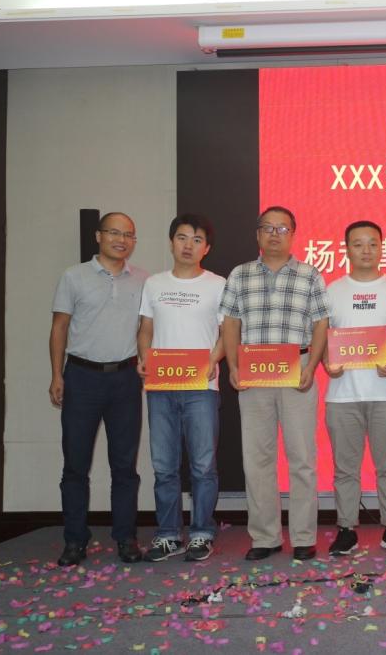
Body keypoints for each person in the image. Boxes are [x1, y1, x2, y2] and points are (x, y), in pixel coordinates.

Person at [220, 206, 328, 561]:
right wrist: (233, 366)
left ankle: (303, 536)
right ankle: (265, 537)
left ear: (293, 234)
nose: (274, 234)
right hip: (253, 371)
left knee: (302, 457)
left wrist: (313, 365)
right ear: (257, 235)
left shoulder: (310, 275)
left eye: (282, 229)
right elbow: (230, 323)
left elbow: (321, 324)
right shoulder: (240, 275)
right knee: (257, 458)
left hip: (297, 368)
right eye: (267, 228)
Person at [49, 212, 148, 566]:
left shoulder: (144, 280)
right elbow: (59, 327)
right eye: (114, 233)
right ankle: (75, 540)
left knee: (125, 466)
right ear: (98, 236)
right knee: (75, 465)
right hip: (82, 377)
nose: (121, 240)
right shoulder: (73, 276)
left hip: (125, 379)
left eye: (128, 235)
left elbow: (146, 329)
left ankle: (126, 538)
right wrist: (56, 375)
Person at [137, 214, 225, 562]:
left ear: (207, 248)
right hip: (161, 385)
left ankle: (202, 532)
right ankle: (168, 535)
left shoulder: (218, 284)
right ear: (171, 242)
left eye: (197, 239)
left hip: (202, 386)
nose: (189, 245)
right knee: (164, 466)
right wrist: (143, 356)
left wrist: (213, 360)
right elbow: (146, 328)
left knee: (203, 465)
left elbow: (227, 333)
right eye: (182, 237)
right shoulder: (154, 284)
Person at [323, 220, 386, 556]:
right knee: (345, 469)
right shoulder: (331, 290)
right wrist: (327, 363)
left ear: (381, 248)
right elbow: (322, 338)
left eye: (373, 244)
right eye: (358, 244)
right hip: (342, 395)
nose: (366, 250)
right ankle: (346, 529)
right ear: (346, 249)